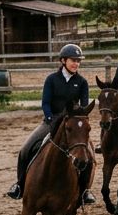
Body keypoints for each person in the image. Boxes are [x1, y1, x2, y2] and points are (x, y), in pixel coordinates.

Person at [8, 43, 94, 205]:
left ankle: (85, 192)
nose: (76, 63)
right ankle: (19, 185)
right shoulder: (52, 80)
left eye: (78, 61)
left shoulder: (82, 82)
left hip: (72, 125)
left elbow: (83, 106)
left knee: (88, 156)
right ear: (63, 61)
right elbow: (45, 103)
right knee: (26, 149)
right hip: (51, 121)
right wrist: (49, 118)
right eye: (73, 60)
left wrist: (79, 118)